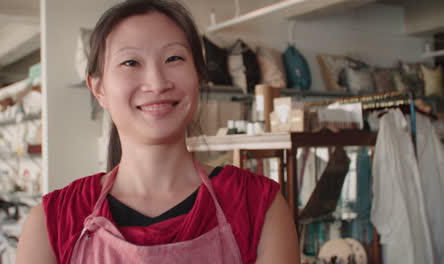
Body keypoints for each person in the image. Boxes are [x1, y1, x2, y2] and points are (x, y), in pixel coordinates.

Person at [16, 0, 300, 263]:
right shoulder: (52, 222)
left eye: (173, 58)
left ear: (198, 76)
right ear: (98, 89)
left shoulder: (259, 206)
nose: (157, 82)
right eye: (130, 62)